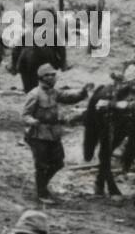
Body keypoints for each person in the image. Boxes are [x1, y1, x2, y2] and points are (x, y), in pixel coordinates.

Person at [23, 63, 92, 204]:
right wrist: (32, 121)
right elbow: (25, 115)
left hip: (53, 133)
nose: (51, 77)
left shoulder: (54, 93)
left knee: (58, 163)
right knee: (41, 165)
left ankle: (41, 186)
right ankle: (42, 193)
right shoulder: (34, 94)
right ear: (41, 77)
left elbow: (69, 98)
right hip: (38, 135)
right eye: (47, 75)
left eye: (53, 75)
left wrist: (83, 92)